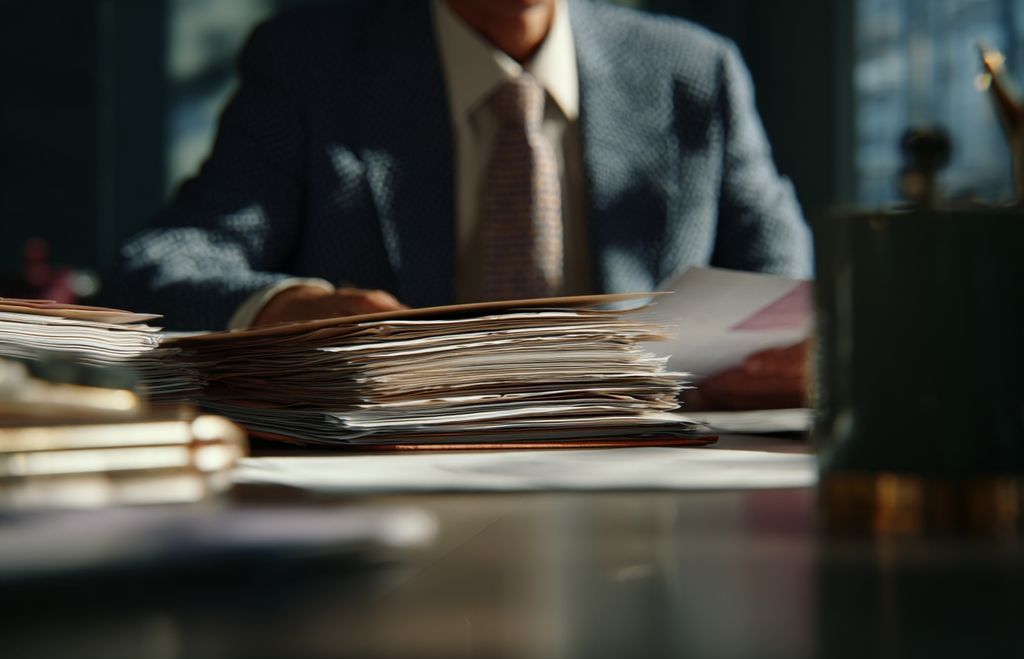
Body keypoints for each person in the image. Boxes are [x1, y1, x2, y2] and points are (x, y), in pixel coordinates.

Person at [113, 0, 813, 405]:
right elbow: (161, 266)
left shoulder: (694, 74)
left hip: (656, 498)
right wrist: (285, 307)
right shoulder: (311, 65)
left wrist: (801, 360)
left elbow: (788, 294)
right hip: (403, 481)